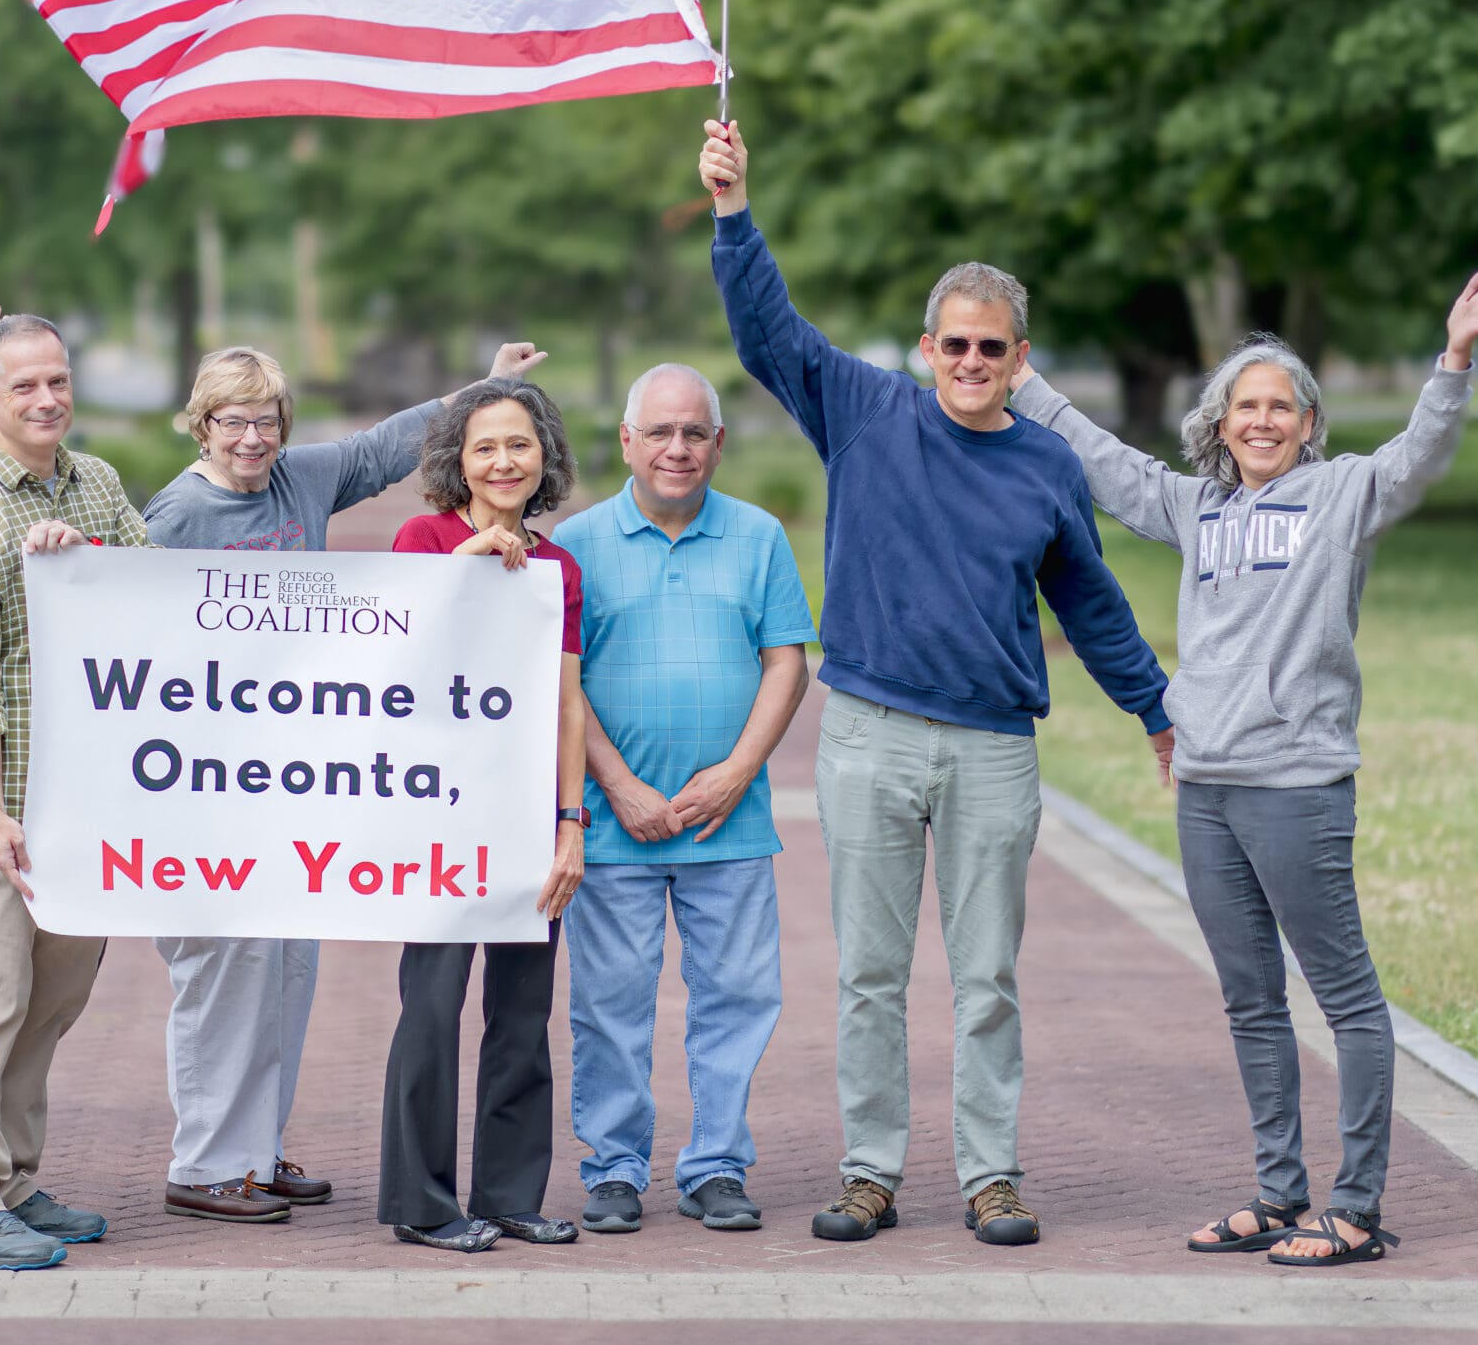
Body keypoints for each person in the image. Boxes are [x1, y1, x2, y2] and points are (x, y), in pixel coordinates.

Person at [696, 120, 1176, 1248]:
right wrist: (731, 215)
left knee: (986, 980)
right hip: (868, 733)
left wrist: (1155, 708)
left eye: (992, 350)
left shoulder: (1048, 466)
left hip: (993, 748)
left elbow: (1091, 603)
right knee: (868, 973)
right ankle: (869, 1171)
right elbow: (768, 333)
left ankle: (990, 1175)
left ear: (1020, 358)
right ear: (924, 348)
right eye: (954, 345)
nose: (970, 364)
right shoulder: (864, 412)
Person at [1010, 269, 1478, 1266]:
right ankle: (1280, 1194)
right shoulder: (1193, 509)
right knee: (1249, 998)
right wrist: (1023, 381)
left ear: (1307, 421)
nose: (1261, 420)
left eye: (1279, 405)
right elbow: (1101, 460)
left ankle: (1357, 1207)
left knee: (1344, 999)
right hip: (1204, 786)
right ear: (1219, 419)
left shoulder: (1339, 497)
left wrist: (1451, 359)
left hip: (1298, 786)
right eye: (1244, 404)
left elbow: (1418, 457)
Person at [141, 340, 547, 1226]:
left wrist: (486, 385)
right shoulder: (175, 517)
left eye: (266, 420)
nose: (251, 439)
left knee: (287, 964)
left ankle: (255, 1150)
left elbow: (388, 444)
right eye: (231, 420)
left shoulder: (300, 479)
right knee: (223, 964)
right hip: (206, 788)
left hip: (293, 781)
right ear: (200, 424)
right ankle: (205, 1162)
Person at [550, 364, 813, 1234]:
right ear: (626, 441)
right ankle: (616, 1167)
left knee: (737, 996)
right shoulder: (577, 543)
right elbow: (562, 682)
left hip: (730, 826)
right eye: (659, 432)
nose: (677, 448)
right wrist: (618, 787)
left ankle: (714, 1167)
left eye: (694, 432)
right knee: (609, 1004)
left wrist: (735, 772)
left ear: (718, 444)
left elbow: (786, 660)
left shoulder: (759, 536)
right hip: (615, 825)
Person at [0, 314, 154, 1270]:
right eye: (25, 387)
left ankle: (14, 1175)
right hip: (3, 800)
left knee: (56, 995)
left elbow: (158, 591)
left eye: (57, 380)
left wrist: (87, 549)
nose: (47, 399)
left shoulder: (96, 482)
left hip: (89, 796)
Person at [378, 379, 591, 1253]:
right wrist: (456, 572)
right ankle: (422, 1204)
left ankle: (508, 1192)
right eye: (484, 446)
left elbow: (567, 704)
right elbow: (380, 658)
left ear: (544, 456)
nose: (504, 461)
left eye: (519, 444)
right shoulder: (422, 540)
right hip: (435, 815)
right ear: (455, 462)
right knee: (430, 1008)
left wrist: (570, 822)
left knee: (521, 1014)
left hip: (524, 819)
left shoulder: (559, 568)